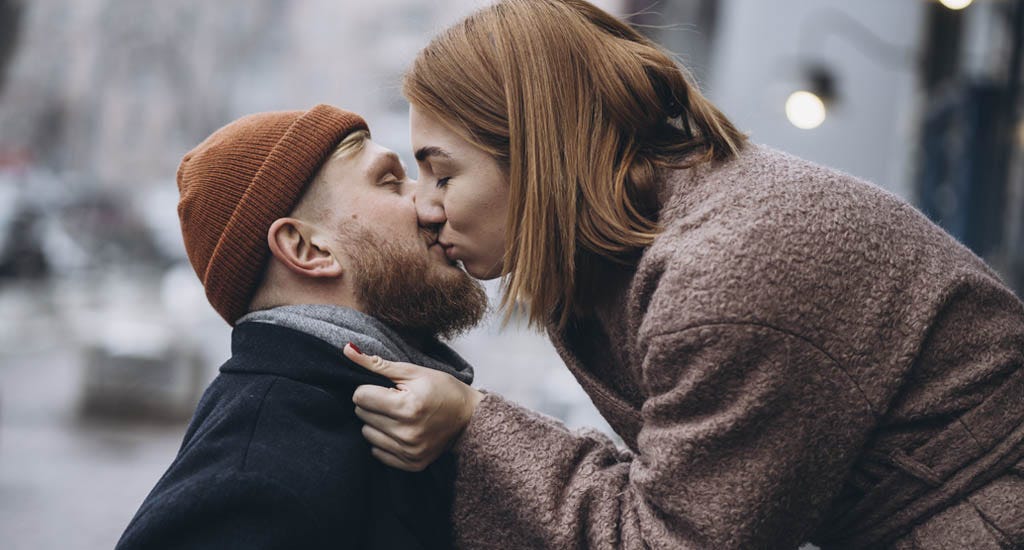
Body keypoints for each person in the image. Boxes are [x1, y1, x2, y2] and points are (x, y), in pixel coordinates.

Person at [341, 1, 1024, 548]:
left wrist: (473, 424)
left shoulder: (725, 277)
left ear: (536, 147)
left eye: (442, 171)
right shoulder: (635, 254)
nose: (424, 207)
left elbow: (672, 536)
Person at [116, 104, 488, 549]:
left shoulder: (386, 415)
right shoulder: (253, 481)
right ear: (307, 248)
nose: (430, 204)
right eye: (391, 182)